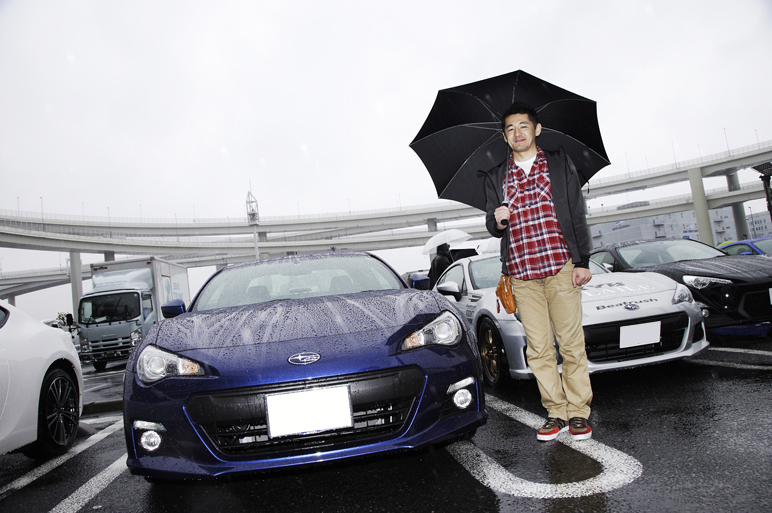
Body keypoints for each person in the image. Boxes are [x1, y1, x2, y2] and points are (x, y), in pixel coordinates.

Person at [483, 101, 594, 442]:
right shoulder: (497, 176)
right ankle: (556, 412)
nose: (517, 133)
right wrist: (497, 221)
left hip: (560, 267)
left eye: (523, 126)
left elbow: (576, 211)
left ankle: (578, 412)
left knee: (571, 345)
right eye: (510, 129)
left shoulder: (559, 163)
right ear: (505, 137)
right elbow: (492, 225)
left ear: (536, 129)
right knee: (538, 349)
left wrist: (583, 261)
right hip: (522, 274)